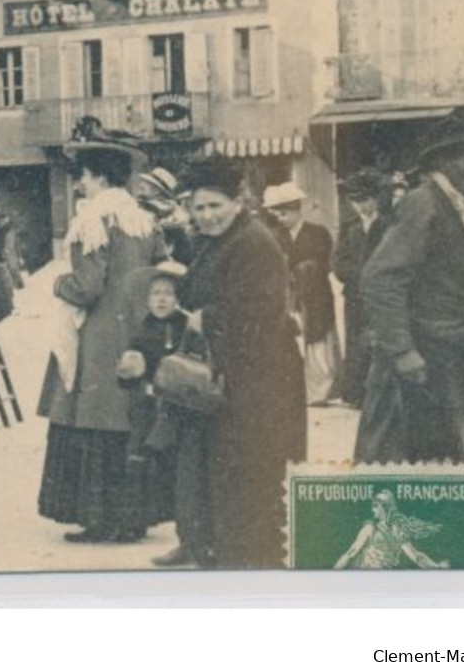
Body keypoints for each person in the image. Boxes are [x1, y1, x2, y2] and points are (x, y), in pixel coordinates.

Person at [166, 157, 306, 570]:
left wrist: (205, 318)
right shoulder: (221, 239)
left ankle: (247, 569)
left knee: (249, 479)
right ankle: (225, 557)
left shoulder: (254, 242)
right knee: (225, 478)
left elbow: (262, 313)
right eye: (199, 207)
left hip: (259, 382)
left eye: (215, 206)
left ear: (237, 202)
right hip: (233, 377)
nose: (206, 215)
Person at [36, 126, 164, 545]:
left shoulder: (92, 219)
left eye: (84, 176)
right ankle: (135, 516)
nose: (80, 184)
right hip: (139, 332)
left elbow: (88, 287)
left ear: (101, 177)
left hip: (100, 338)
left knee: (94, 422)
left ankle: (101, 518)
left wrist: (58, 285)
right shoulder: (144, 221)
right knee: (132, 420)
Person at [354, 110, 464, 469]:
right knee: (426, 460)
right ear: (446, 161)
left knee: (453, 457)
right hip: (427, 356)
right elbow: (380, 277)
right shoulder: (424, 202)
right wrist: (402, 350)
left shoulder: (462, 205)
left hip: (453, 350)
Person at [115, 262, 189, 537]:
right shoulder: (145, 327)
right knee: (140, 458)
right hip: (147, 406)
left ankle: (184, 520)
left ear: (178, 298)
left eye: (168, 294)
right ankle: (138, 519)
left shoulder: (185, 326)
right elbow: (132, 363)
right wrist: (129, 370)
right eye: (155, 293)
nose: (161, 299)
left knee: (176, 462)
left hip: (177, 405)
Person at [263, 182, 342, 407]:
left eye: (286, 212)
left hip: (315, 293)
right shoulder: (274, 236)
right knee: (292, 339)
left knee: (317, 342)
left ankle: (318, 392)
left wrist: (303, 270)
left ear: (297, 210)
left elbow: (324, 262)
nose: (282, 217)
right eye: (278, 213)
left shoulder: (318, 232)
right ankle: (293, 389)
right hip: (288, 296)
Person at [332, 167, 388, 410]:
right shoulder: (350, 227)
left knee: (378, 340)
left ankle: (378, 394)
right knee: (355, 341)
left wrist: (371, 275)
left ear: (376, 198)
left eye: (366, 200)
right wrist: (355, 275)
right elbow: (338, 262)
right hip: (354, 294)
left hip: (380, 294)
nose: (362, 207)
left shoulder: (389, 224)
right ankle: (356, 395)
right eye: (356, 202)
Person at [332, 489, 449, 569]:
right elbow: (350, 553)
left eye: (375, 506)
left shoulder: (397, 531)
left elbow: (416, 556)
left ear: (385, 507)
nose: (373, 510)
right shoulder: (370, 529)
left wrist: (435, 566)